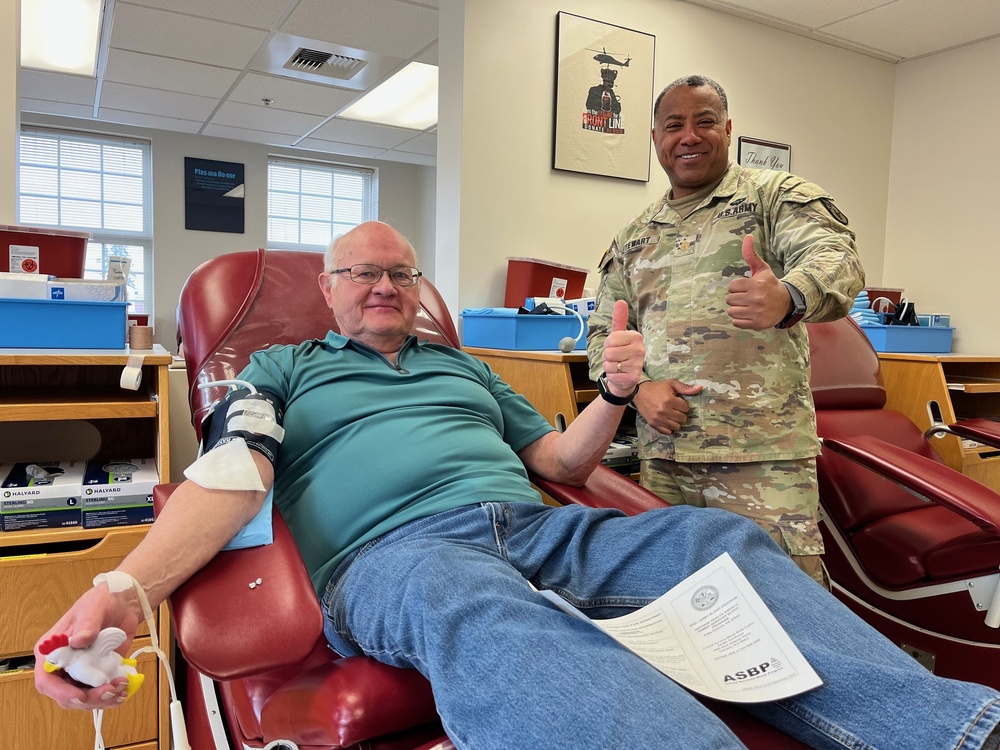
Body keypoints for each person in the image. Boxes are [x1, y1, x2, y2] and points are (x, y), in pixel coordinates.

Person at [35, 222, 1000, 750]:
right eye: (360, 274)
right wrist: (123, 589)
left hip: (537, 528)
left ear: (418, 290)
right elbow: (231, 475)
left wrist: (616, 392)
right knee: (480, 605)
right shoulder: (282, 372)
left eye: (400, 275)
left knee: (716, 540)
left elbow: (563, 467)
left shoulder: (467, 371)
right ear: (325, 291)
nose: (383, 287)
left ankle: (955, 732)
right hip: (397, 558)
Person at [587, 74, 865, 585]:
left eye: (705, 122)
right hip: (666, 459)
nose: (689, 136)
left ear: (728, 129)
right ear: (655, 140)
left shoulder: (772, 196)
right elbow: (603, 333)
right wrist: (639, 389)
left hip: (762, 459)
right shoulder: (634, 236)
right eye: (674, 125)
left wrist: (789, 294)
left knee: (790, 612)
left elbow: (837, 258)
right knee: (677, 606)